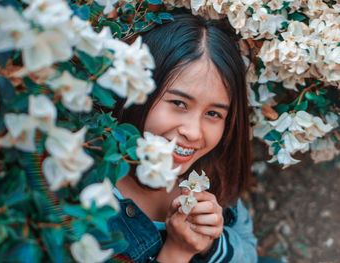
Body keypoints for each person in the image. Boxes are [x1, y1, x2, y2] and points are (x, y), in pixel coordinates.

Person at [108, 13, 257, 263]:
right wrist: (178, 252)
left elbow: (249, 252)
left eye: (213, 113)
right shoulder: (89, 193)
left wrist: (211, 244)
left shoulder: (212, 172)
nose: (195, 132)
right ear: (137, 92)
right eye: (179, 103)